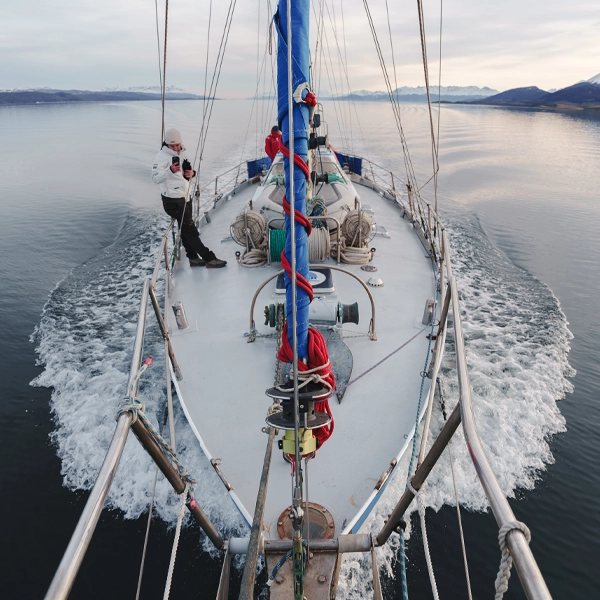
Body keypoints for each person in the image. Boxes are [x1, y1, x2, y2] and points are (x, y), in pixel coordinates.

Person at [152, 128, 227, 268]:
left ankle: (192, 258)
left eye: (177, 145)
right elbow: (155, 178)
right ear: (166, 144)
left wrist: (191, 173)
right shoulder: (160, 158)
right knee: (191, 231)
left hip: (186, 197)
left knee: (185, 230)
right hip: (173, 201)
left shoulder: (183, 153)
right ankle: (209, 258)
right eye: (172, 146)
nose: (175, 148)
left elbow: (187, 175)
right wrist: (169, 171)